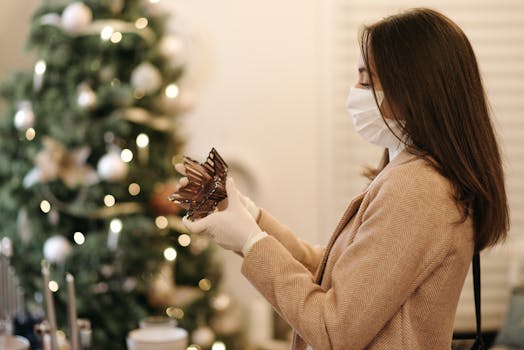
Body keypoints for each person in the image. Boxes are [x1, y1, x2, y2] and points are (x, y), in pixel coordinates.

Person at [177, 7, 509, 350]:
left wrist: (251, 241)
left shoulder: (417, 188)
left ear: (414, 89)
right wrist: (251, 219)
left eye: (367, 80)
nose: (355, 90)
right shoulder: (414, 173)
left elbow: (334, 330)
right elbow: (342, 276)